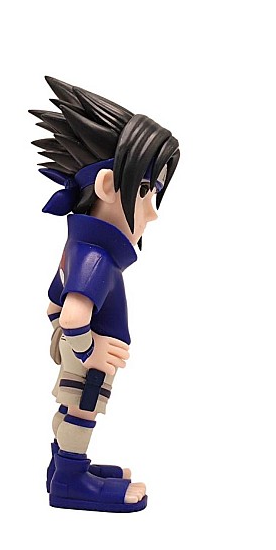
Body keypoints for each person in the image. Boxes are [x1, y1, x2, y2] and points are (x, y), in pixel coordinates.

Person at [33, 76, 181, 513]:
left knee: (72, 408)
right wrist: (88, 350)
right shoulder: (96, 256)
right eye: (144, 191)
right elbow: (73, 315)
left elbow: (54, 303)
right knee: (83, 409)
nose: (152, 212)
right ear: (106, 187)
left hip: (79, 352)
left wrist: (64, 341)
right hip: (90, 358)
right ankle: (72, 481)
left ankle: (64, 468)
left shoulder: (79, 245)